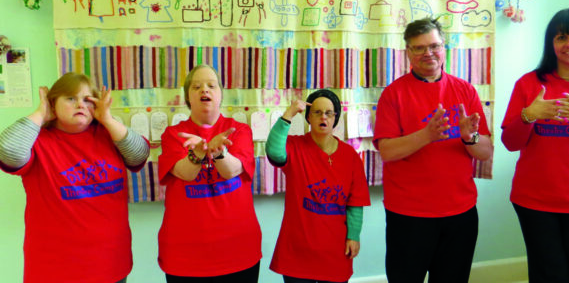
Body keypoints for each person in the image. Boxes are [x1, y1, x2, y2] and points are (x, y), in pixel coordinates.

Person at [373, 17, 493, 283]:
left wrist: (468, 136)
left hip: (460, 213)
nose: (428, 53)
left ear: (444, 48)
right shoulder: (394, 94)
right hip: (409, 215)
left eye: (434, 46)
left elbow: (484, 152)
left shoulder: (465, 90)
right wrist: (426, 135)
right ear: (408, 53)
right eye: (419, 48)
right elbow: (388, 151)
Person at [0, 72, 150, 283]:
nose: (80, 104)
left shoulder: (109, 135)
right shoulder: (38, 141)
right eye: (71, 98)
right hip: (56, 269)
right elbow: (7, 150)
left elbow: (139, 154)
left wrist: (106, 118)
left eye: (87, 99)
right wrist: (41, 113)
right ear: (53, 103)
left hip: (110, 264)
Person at [501, 6, 569, 283]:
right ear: (551, 44)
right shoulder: (529, 83)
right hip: (535, 200)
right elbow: (510, 143)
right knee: (548, 273)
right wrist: (529, 116)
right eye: (560, 37)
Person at [158, 64, 262, 282]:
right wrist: (197, 154)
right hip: (185, 257)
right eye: (196, 87)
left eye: (211, 86)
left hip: (238, 251)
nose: (204, 90)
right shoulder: (173, 134)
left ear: (220, 94)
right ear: (188, 98)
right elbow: (184, 173)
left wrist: (218, 151)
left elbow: (232, 170)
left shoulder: (239, 130)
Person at [266, 89, 371, 283]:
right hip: (297, 250)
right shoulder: (294, 146)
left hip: (335, 249)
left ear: (335, 118)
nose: (323, 117)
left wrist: (354, 236)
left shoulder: (351, 157)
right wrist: (288, 114)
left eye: (329, 113)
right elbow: (273, 152)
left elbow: (355, 203)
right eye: (317, 112)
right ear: (308, 117)